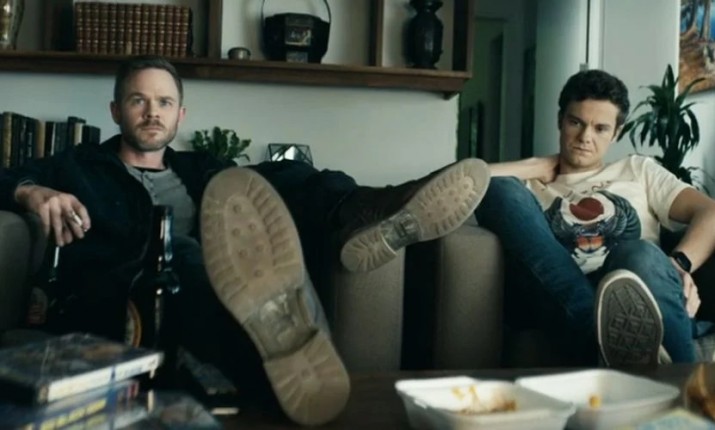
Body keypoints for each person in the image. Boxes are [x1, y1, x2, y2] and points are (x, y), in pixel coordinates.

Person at [0, 55, 490, 426]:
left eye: (164, 103)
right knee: (182, 252)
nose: (152, 112)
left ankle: (372, 209)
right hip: (120, 295)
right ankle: (288, 340)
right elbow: (5, 178)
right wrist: (31, 191)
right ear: (115, 110)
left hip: (209, 291)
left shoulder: (201, 169)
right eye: (138, 101)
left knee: (282, 175)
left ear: (180, 115)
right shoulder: (78, 166)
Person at [475, 69, 715, 366]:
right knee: (498, 187)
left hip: (640, 284)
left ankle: (628, 356)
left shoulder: (637, 170)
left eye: (600, 128)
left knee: (638, 253)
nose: (585, 137)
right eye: (575, 122)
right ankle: (617, 344)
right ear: (560, 121)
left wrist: (678, 263)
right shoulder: (527, 188)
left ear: (617, 133)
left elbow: (710, 211)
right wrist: (533, 165)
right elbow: (463, 184)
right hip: (564, 292)